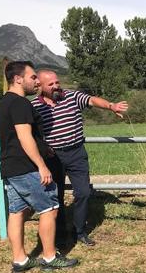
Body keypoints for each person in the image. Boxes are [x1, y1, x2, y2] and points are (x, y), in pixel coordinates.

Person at [0, 61, 79, 273]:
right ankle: (50, 257)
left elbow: (15, 137)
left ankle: (20, 260)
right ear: (18, 79)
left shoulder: (4, 103)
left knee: (18, 211)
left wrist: (44, 147)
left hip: (10, 167)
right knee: (49, 208)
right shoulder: (21, 104)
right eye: (33, 77)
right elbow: (24, 137)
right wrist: (42, 166)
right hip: (25, 167)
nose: (36, 81)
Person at [31, 69, 128, 247]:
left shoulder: (71, 96)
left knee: (83, 192)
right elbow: (31, 134)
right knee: (55, 196)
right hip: (53, 157)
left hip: (76, 153)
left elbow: (91, 99)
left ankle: (79, 231)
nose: (56, 86)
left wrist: (111, 106)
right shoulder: (34, 106)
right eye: (51, 84)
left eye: (57, 82)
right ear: (41, 86)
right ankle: (59, 233)